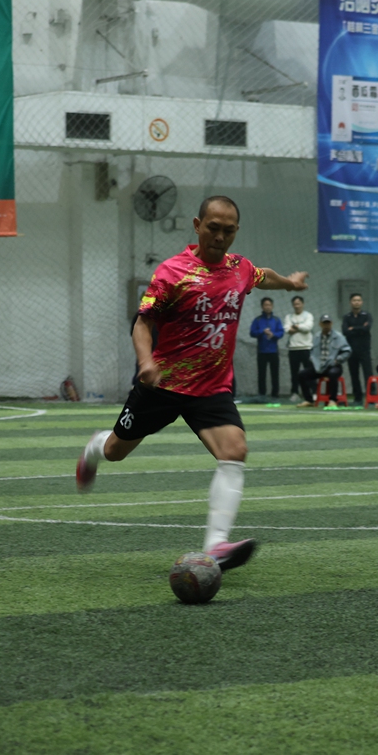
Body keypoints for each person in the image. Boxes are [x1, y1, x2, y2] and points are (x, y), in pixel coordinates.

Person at [75, 195, 308, 572]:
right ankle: (93, 448)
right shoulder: (172, 272)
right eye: (213, 228)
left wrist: (289, 284)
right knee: (116, 451)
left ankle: (216, 546)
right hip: (162, 385)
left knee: (234, 450)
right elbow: (142, 322)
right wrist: (146, 361)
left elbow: (263, 275)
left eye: (228, 231)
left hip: (211, 387)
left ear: (236, 231)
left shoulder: (240, 269)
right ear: (198, 226)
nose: (220, 237)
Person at [298, 314, 351, 407]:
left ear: (331, 323)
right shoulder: (316, 337)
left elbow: (347, 351)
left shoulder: (339, 337)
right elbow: (311, 350)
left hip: (333, 365)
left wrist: (337, 360)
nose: (326, 325)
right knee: (302, 374)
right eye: (324, 323)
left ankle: (333, 400)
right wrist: (312, 360)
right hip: (319, 367)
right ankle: (309, 400)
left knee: (333, 373)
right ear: (320, 324)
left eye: (328, 323)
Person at [248, 297, 284, 401]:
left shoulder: (276, 320)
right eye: (265, 305)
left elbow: (281, 332)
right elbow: (252, 332)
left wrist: (273, 335)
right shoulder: (258, 320)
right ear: (262, 306)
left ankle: (275, 395)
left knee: (275, 374)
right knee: (261, 374)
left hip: (274, 351)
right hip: (261, 351)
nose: (267, 307)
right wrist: (262, 331)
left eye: (269, 305)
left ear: (272, 306)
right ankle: (262, 394)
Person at [342, 293, 372, 407]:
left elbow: (367, 328)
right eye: (354, 300)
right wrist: (360, 328)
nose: (356, 302)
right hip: (351, 350)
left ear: (362, 302)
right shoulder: (347, 317)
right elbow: (345, 331)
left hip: (364, 349)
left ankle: (371, 397)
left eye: (359, 300)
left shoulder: (367, 315)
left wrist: (353, 328)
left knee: (368, 374)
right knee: (354, 375)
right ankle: (357, 397)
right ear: (350, 302)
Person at [283, 295, 314, 402]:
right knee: (294, 373)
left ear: (302, 304)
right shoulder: (289, 317)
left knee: (309, 372)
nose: (297, 306)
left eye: (298, 303)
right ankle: (295, 393)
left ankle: (312, 393)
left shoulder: (308, 315)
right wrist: (300, 327)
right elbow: (287, 329)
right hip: (293, 349)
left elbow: (308, 328)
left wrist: (296, 326)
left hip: (306, 348)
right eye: (295, 304)